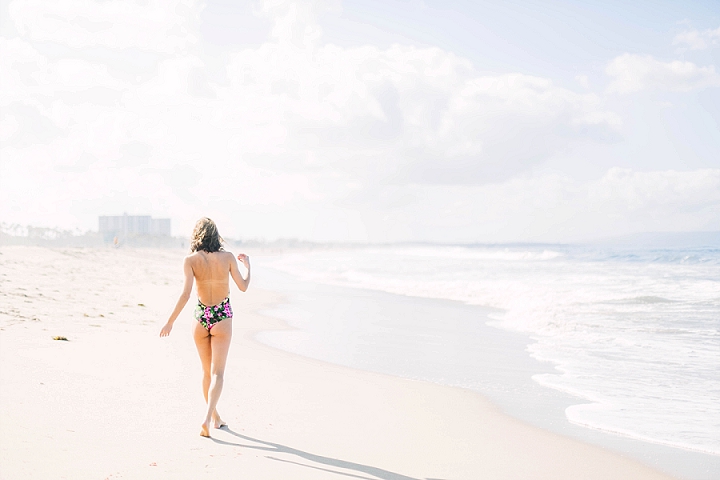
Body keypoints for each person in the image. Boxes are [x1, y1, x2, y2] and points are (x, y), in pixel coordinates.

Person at [160, 217, 250, 437]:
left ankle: (216, 418)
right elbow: (243, 287)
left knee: (205, 372)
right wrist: (248, 267)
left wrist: (170, 321)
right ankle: (207, 419)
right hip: (221, 316)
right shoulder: (228, 257)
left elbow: (185, 294)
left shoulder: (190, 260)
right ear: (215, 235)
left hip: (200, 317)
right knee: (218, 373)